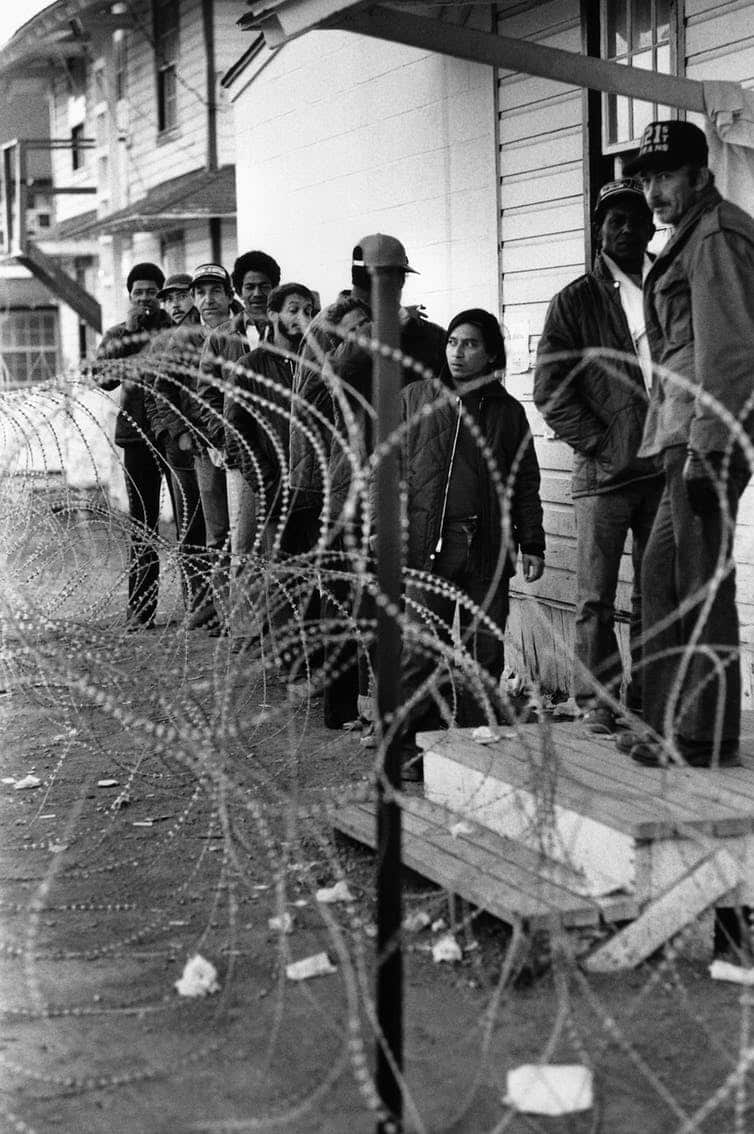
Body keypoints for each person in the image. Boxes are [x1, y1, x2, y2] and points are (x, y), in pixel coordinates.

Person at [617, 120, 754, 768]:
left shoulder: (716, 237)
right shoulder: (691, 237)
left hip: (707, 438)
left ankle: (701, 732)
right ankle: (677, 722)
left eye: (665, 175)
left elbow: (729, 350)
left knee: (697, 582)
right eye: (645, 179)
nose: (653, 191)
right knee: (665, 578)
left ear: (701, 174)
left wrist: (708, 446)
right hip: (682, 435)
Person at [533, 178, 662, 734]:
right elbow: (550, 389)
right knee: (595, 596)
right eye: (616, 220)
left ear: (651, 224)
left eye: (636, 217)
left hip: (666, 466)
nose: (628, 228)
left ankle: (650, 696)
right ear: (599, 230)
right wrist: (605, 443)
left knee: (660, 590)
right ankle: (597, 700)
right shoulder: (576, 300)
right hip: (604, 474)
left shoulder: (669, 282)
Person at [394, 309, 545, 780]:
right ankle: (410, 749)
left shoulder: (508, 412)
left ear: (491, 353)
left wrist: (532, 542)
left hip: (487, 549)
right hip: (429, 548)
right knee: (422, 652)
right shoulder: (415, 400)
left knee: (486, 653)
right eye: (453, 342)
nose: (458, 353)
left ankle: (479, 752)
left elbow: (523, 483)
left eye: (471, 344)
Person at [225, 283, 316, 661]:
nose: (301, 318)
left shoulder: (318, 362)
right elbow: (234, 429)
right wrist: (263, 475)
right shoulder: (252, 366)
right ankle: (288, 655)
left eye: (308, 310)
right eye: (292, 309)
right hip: (276, 481)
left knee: (315, 569)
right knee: (279, 570)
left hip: (315, 482)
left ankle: (314, 651)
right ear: (274, 315)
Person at [194, 251, 282, 633]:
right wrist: (228, 442)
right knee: (243, 543)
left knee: (281, 543)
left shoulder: (289, 334)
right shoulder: (222, 338)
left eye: (264, 286)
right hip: (243, 454)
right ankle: (245, 630)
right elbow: (206, 396)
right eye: (250, 286)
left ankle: (279, 627)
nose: (258, 293)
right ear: (239, 292)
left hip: (284, 451)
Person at [93, 262, 173, 630]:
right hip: (136, 436)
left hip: (174, 435)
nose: (145, 298)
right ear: (130, 295)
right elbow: (101, 378)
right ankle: (141, 611)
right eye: (138, 292)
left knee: (194, 526)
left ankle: (202, 609)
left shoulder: (174, 330)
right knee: (143, 525)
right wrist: (128, 337)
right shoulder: (118, 334)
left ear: (161, 295)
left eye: (151, 292)